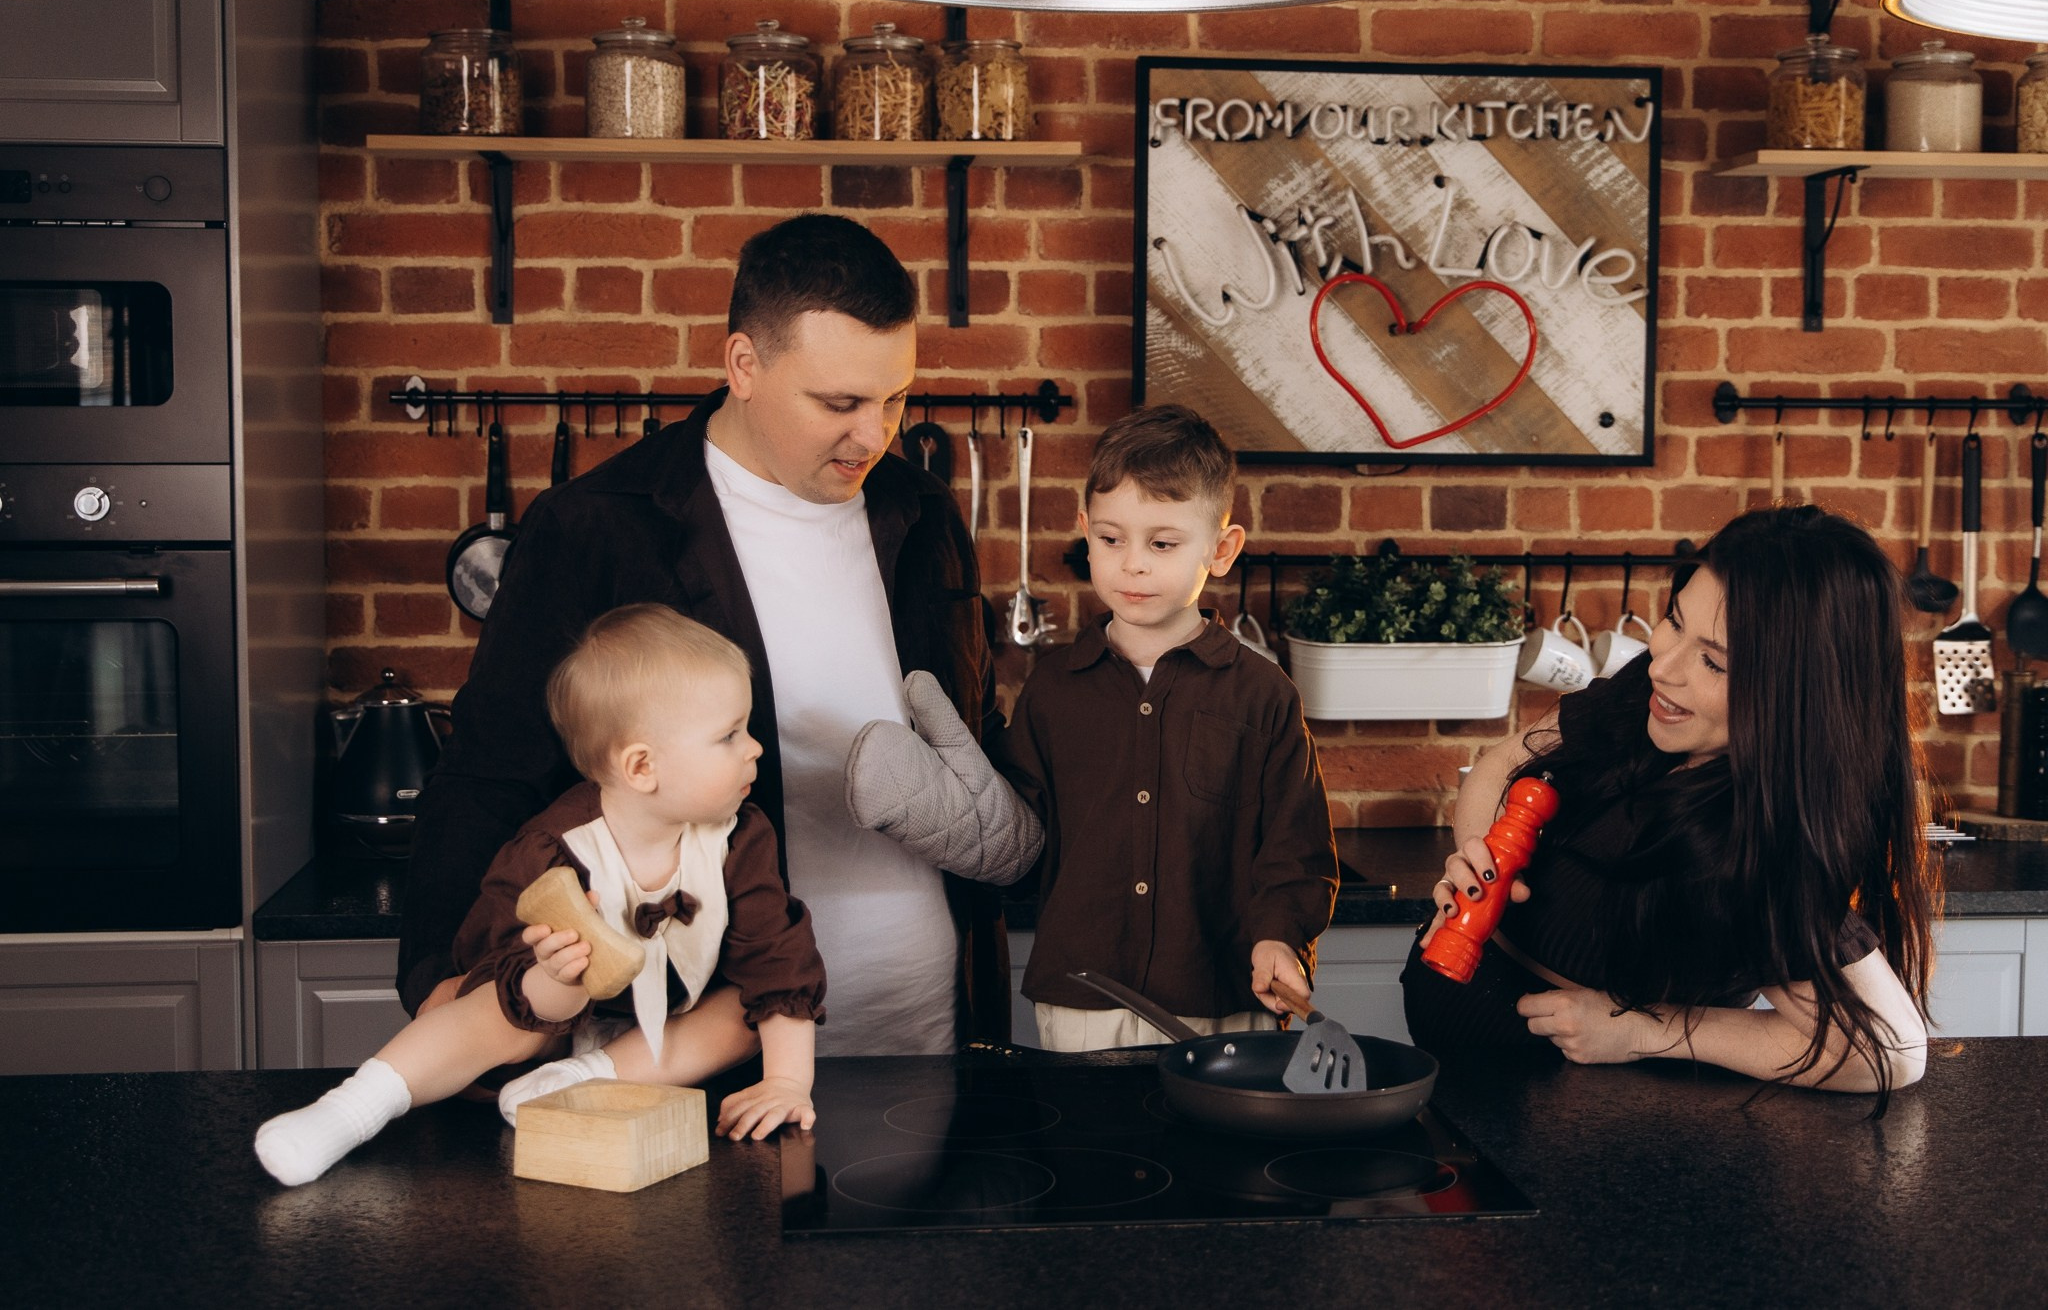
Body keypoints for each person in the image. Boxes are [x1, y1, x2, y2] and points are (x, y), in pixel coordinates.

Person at [400, 213, 1007, 1058]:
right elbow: (490, 773)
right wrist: (443, 972)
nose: (875, 435)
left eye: (895, 398)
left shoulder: (924, 510)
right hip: (705, 1039)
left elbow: (972, 738)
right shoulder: (597, 527)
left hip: (930, 1020)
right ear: (743, 364)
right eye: (839, 402)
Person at [256, 606, 825, 1185]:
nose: (754, 749)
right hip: (546, 1032)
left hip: (657, 1040)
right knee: (496, 1014)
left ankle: (583, 1083)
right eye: (730, 735)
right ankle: (349, 1111)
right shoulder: (552, 851)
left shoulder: (740, 838)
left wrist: (787, 1081)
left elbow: (779, 960)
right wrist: (555, 979)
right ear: (642, 766)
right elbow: (488, 975)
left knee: (747, 1012)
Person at [1404, 505, 1939, 1107]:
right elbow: (1504, 761)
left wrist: (1641, 1030)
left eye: (1714, 660)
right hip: (1462, 1091)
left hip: (1575, 1136)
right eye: (1674, 621)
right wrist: (1483, 866)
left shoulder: (1759, 846)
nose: (1663, 664)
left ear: (1795, 697)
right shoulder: (1654, 694)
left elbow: (1888, 1049)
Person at [994, 405, 1340, 1051]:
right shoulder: (1051, 689)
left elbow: (1296, 850)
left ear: (1222, 548)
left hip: (1223, 997)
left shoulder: (1264, 695)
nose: (1133, 565)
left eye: (1162, 542)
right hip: (1082, 998)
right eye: (1110, 538)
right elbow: (1015, 837)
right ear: (1084, 534)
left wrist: (1278, 937)